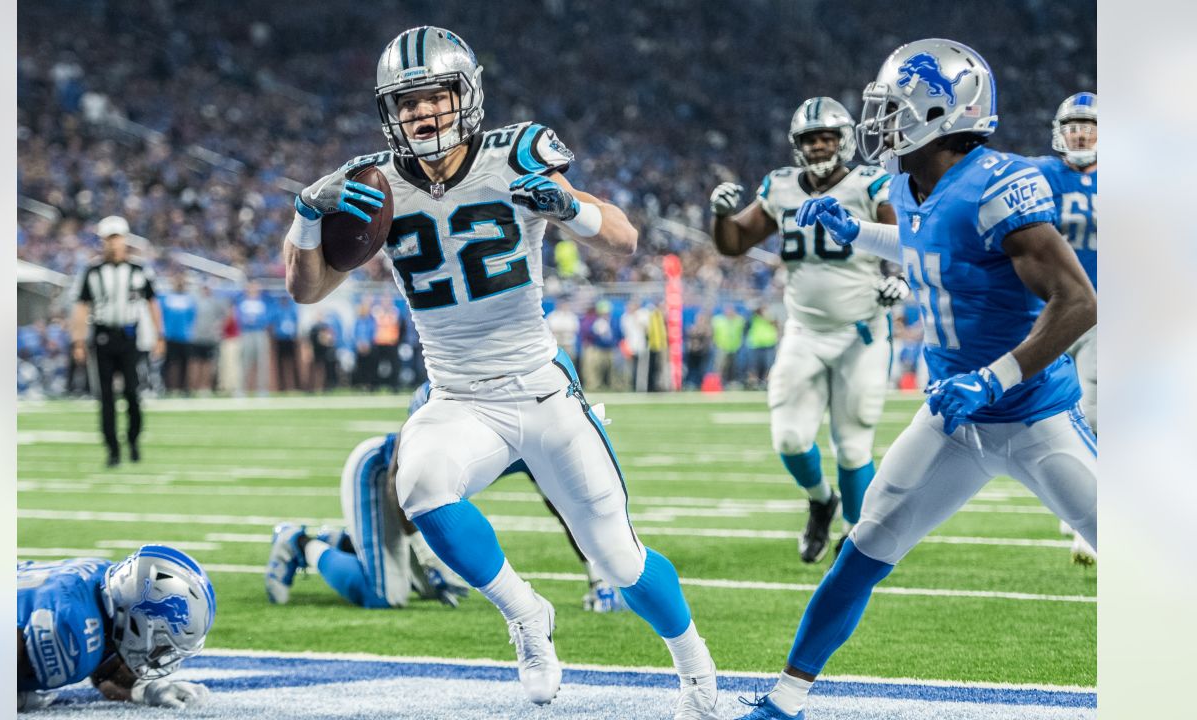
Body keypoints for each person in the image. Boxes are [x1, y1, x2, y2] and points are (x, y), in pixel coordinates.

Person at [282, 27, 719, 718]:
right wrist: (307, 217)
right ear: (388, 111)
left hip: (542, 389)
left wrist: (569, 208)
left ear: (467, 95)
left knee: (619, 560)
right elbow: (306, 290)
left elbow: (626, 240)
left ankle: (696, 669)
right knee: (421, 483)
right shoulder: (373, 183)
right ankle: (526, 615)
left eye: (437, 97)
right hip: (457, 398)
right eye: (408, 102)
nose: (423, 114)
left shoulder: (516, 153)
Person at [735, 39, 1097, 720]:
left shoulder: (999, 183)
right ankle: (785, 699)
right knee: (865, 545)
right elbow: (927, 246)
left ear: (941, 113)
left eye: (894, 108)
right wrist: (854, 234)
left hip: (1032, 414)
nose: (881, 122)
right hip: (952, 417)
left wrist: (993, 378)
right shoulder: (907, 183)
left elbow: (1078, 302)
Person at [710, 97, 902, 562]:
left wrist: (898, 275)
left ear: (844, 140)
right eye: (809, 139)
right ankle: (821, 500)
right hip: (804, 330)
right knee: (790, 438)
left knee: (854, 442)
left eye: (826, 138)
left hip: (862, 330)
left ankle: (857, 540)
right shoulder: (780, 186)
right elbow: (735, 243)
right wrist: (720, 215)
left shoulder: (869, 182)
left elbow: (901, 234)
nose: (818, 146)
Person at [265, 383, 627, 612]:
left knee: (418, 582)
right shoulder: (441, 392)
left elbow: (565, 506)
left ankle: (341, 540)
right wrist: (427, 554)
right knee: (386, 594)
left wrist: (598, 578)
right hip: (380, 476)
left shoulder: (532, 416)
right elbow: (400, 481)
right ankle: (301, 543)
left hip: (415, 501)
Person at [17, 546, 216, 712]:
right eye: (161, 644)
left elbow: (104, 669)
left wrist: (143, 689)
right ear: (139, 624)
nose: (159, 653)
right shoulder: (70, 629)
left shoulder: (104, 581)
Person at [1030, 93, 1098, 566]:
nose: (1079, 133)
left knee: (1095, 411)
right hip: (1048, 306)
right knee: (1041, 415)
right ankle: (1072, 497)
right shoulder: (1038, 175)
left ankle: (1090, 517)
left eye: (1088, 125)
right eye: (1072, 126)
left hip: (1099, 310)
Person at [70, 216, 164, 467]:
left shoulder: (139, 269)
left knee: (133, 392)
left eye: (118, 237)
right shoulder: (92, 271)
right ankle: (112, 449)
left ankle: (133, 441)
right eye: (109, 238)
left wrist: (159, 335)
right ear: (103, 241)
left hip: (129, 336)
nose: (114, 243)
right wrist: (78, 341)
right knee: (106, 397)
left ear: (125, 239)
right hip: (102, 336)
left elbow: (152, 302)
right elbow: (81, 307)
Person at [159, 272, 197, 395]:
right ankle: (167, 387)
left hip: (185, 336)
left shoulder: (189, 299)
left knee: (185, 363)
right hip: (169, 335)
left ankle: (184, 388)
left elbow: (192, 316)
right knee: (168, 363)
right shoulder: (166, 298)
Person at [189, 280, 228, 395]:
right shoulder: (195, 300)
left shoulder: (215, 301)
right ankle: (193, 387)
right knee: (195, 363)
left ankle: (204, 387)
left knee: (208, 364)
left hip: (210, 338)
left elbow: (226, 315)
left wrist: (219, 327)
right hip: (196, 336)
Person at [236, 281, 272, 396]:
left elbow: (269, 315)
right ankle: (241, 389)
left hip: (260, 332)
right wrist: (246, 321)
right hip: (246, 332)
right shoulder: (242, 301)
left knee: (262, 361)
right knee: (245, 361)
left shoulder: (263, 301)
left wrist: (259, 321)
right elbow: (238, 316)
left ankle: (262, 389)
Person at [270, 293, 302, 392]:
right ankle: (282, 387)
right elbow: (273, 323)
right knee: (280, 364)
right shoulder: (277, 309)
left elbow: (296, 322)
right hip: (280, 339)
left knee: (293, 363)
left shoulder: (292, 309)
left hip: (290, 339)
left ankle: (296, 386)